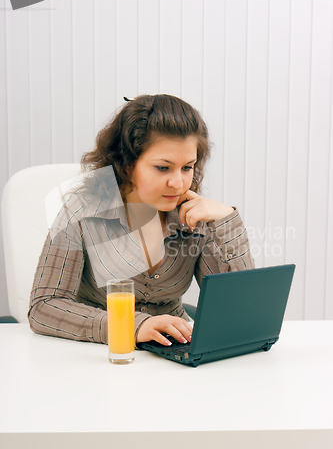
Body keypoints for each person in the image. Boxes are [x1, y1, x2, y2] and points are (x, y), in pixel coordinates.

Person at [28, 94, 255, 347]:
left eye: (187, 167)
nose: (178, 183)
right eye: (162, 168)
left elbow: (240, 311)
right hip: (100, 355)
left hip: (175, 351)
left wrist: (228, 222)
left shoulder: (196, 216)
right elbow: (44, 307)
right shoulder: (81, 212)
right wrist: (132, 325)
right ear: (127, 164)